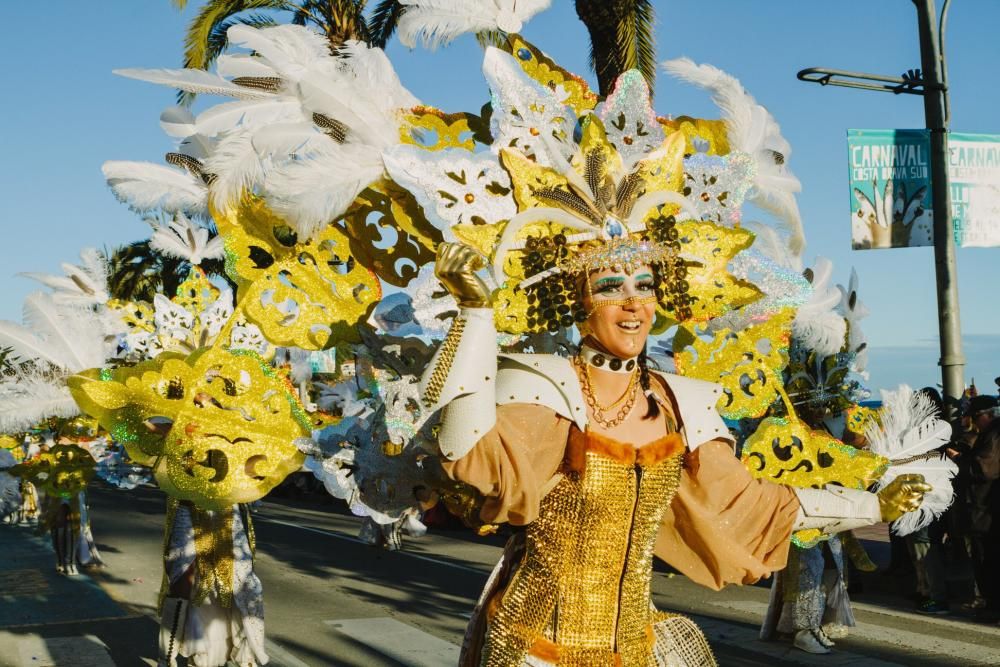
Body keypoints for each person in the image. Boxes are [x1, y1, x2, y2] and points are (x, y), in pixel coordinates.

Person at [422, 242, 931, 666]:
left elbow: (753, 503)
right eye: (609, 288)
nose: (632, 304)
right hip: (536, 648)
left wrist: (871, 508)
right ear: (579, 302)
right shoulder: (547, 390)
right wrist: (474, 312)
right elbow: (464, 448)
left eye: (643, 286)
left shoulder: (675, 403)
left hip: (636, 644)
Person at [967, 394, 1000, 619]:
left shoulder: (993, 434)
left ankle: (992, 605)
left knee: (988, 557)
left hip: (987, 507)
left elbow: (985, 468)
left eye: (975, 418)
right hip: (989, 506)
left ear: (984, 416)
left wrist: (961, 459)